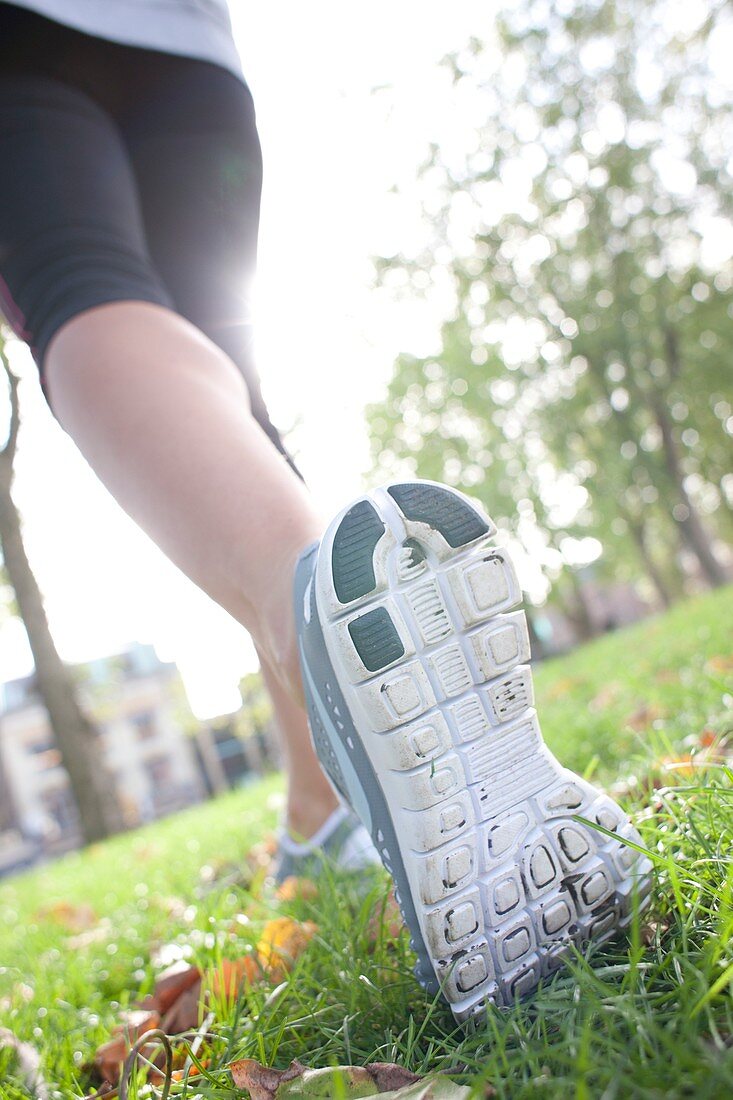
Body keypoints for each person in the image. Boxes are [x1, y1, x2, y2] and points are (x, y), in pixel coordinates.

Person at [0, 0, 651, 1022]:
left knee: (81, 282)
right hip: (190, 56)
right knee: (235, 397)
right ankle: (320, 807)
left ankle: (309, 613)